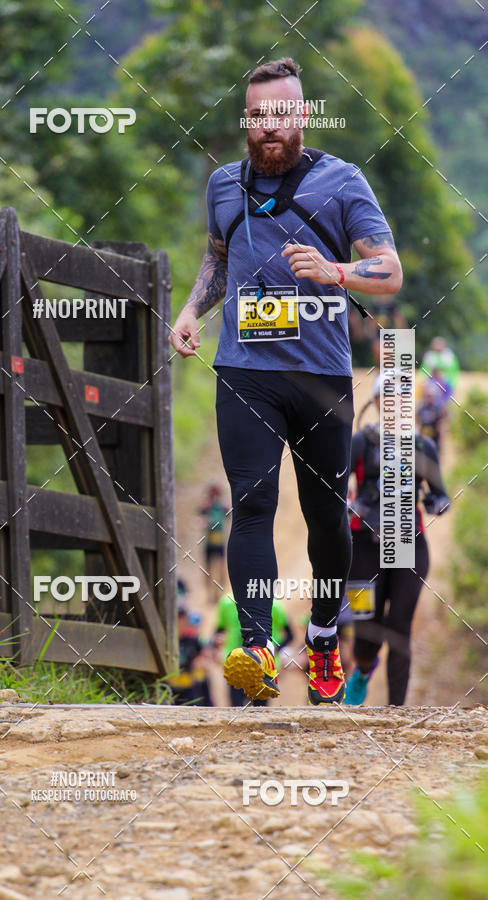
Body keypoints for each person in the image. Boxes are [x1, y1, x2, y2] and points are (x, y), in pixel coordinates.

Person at [169, 56, 402, 704]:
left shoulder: (341, 182)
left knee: (327, 517)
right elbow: (218, 260)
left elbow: (390, 270)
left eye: (281, 114)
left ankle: (324, 634)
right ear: (247, 119)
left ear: (301, 116)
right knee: (251, 503)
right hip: (246, 370)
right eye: (258, 115)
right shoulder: (222, 186)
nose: (269, 126)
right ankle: (256, 647)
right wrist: (192, 311)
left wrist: (336, 272)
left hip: (322, 376)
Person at [344, 375, 450, 706]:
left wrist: (437, 504)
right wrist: (350, 505)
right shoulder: (361, 442)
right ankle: (362, 670)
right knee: (366, 633)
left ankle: (396, 711)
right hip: (362, 546)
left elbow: (441, 496)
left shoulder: (423, 446)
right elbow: (332, 488)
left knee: (399, 627)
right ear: (376, 403)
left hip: (409, 544)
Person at [214, 591, 293, 706]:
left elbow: (290, 635)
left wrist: (276, 650)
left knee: (260, 709)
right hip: (235, 664)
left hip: (263, 665)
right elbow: (218, 631)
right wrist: (216, 647)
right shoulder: (226, 603)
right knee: (237, 708)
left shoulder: (275, 604)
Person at [198, 484, 229, 604]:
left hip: (218, 541)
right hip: (210, 542)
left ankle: (219, 593)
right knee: (209, 570)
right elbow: (199, 520)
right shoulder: (207, 507)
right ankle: (210, 594)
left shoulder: (222, 507)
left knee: (220, 569)